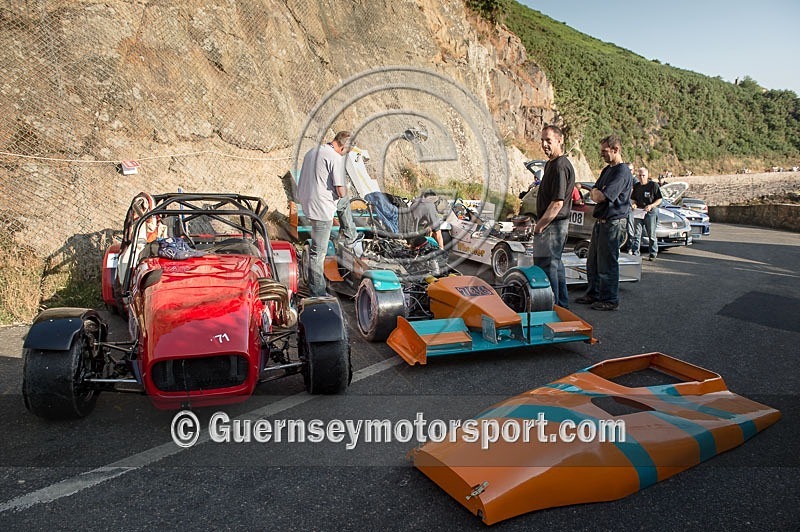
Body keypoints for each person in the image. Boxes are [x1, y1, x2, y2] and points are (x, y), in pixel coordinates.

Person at [296, 131, 362, 296]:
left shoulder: (313, 151)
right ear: (343, 146)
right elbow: (340, 191)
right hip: (321, 208)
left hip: (308, 201)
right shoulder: (335, 158)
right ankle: (317, 291)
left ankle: (349, 234)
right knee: (318, 252)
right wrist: (346, 187)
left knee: (344, 203)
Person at [576, 135, 634, 311]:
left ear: (615, 149)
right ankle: (594, 293)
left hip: (613, 222)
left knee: (608, 262)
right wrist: (596, 192)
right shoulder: (607, 170)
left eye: (604, 151)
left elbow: (600, 195)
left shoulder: (622, 172)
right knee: (593, 261)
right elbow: (596, 190)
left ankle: (610, 299)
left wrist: (597, 192)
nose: (601, 155)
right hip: (601, 222)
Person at [532, 125, 575, 308]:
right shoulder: (551, 164)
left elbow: (557, 203)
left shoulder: (560, 166)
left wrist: (540, 225)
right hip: (553, 224)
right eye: (542, 140)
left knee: (548, 268)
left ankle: (552, 309)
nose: (544, 144)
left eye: (548, 140)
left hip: (553, 226)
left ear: (560, 140)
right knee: (555, 267)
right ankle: (561, 306)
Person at [629, 167, 662, 260]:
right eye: (640, 175)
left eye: (643, 175)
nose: (642, 177)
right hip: (639, 212)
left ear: (647, 175)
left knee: (651, 234)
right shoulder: (637, 186)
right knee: (636, 234)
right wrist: (634, 204)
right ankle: (635, 253)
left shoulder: (653, 185)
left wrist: (651, 205)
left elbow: (659, 199)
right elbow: (633, 198)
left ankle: (653, 253)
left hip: (650, 212)